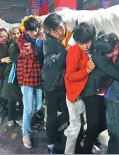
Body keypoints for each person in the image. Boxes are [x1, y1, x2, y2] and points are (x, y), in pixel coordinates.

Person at [80, 31, 119, 154]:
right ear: (103, 52)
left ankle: (88, 139)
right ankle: (85, 149)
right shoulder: (100, 59)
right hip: (92, 95)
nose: (115, 52)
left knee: (103, 124)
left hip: (101, 92)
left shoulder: (104, 46)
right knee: (94, 126)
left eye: (116, 48)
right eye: (111, 52)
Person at [42, 13, 73, 154]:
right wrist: (65, 52)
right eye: (55, 30)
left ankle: (54, 131)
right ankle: (50, 144)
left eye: (61, 27)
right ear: (49, 32)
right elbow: (54, 63)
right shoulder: (48, 43)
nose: (60, 32)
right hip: (52, 86)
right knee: (52, 117)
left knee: (68, 114)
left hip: (63, 85)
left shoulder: (65, 39)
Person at [64, 22, 96, 154]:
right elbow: (69, 76)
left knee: (85, 123)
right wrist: (86, 70)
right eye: (81, 43)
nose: (85, 46)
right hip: (74, 96)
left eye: (87, 41)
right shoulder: (74, 51)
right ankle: (68, 152)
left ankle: (83, 142)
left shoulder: (94, 48)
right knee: (75, 127)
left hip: (86, 95)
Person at [16, 21, 43, 148]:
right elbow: (32, 54)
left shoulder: (37, 36)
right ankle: (25, 134)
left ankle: (24, 121)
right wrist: (38, 42)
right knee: (28, 109)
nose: (34, 33)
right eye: (30, 31)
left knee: (37, 107)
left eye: (35, 30)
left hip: (37, 77)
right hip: (26, 78)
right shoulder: (21, 41)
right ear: (26, 31)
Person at [0, 32, 21, 127]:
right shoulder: (13, 45)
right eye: (13, 34)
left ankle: (12, 118)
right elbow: (15, 58)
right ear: (11, 36)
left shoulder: (17, 43)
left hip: (16, 75)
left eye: (18, 33)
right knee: (12, 98)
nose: (16, 35)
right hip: (13, 75)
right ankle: (12, 118)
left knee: (14, 98)